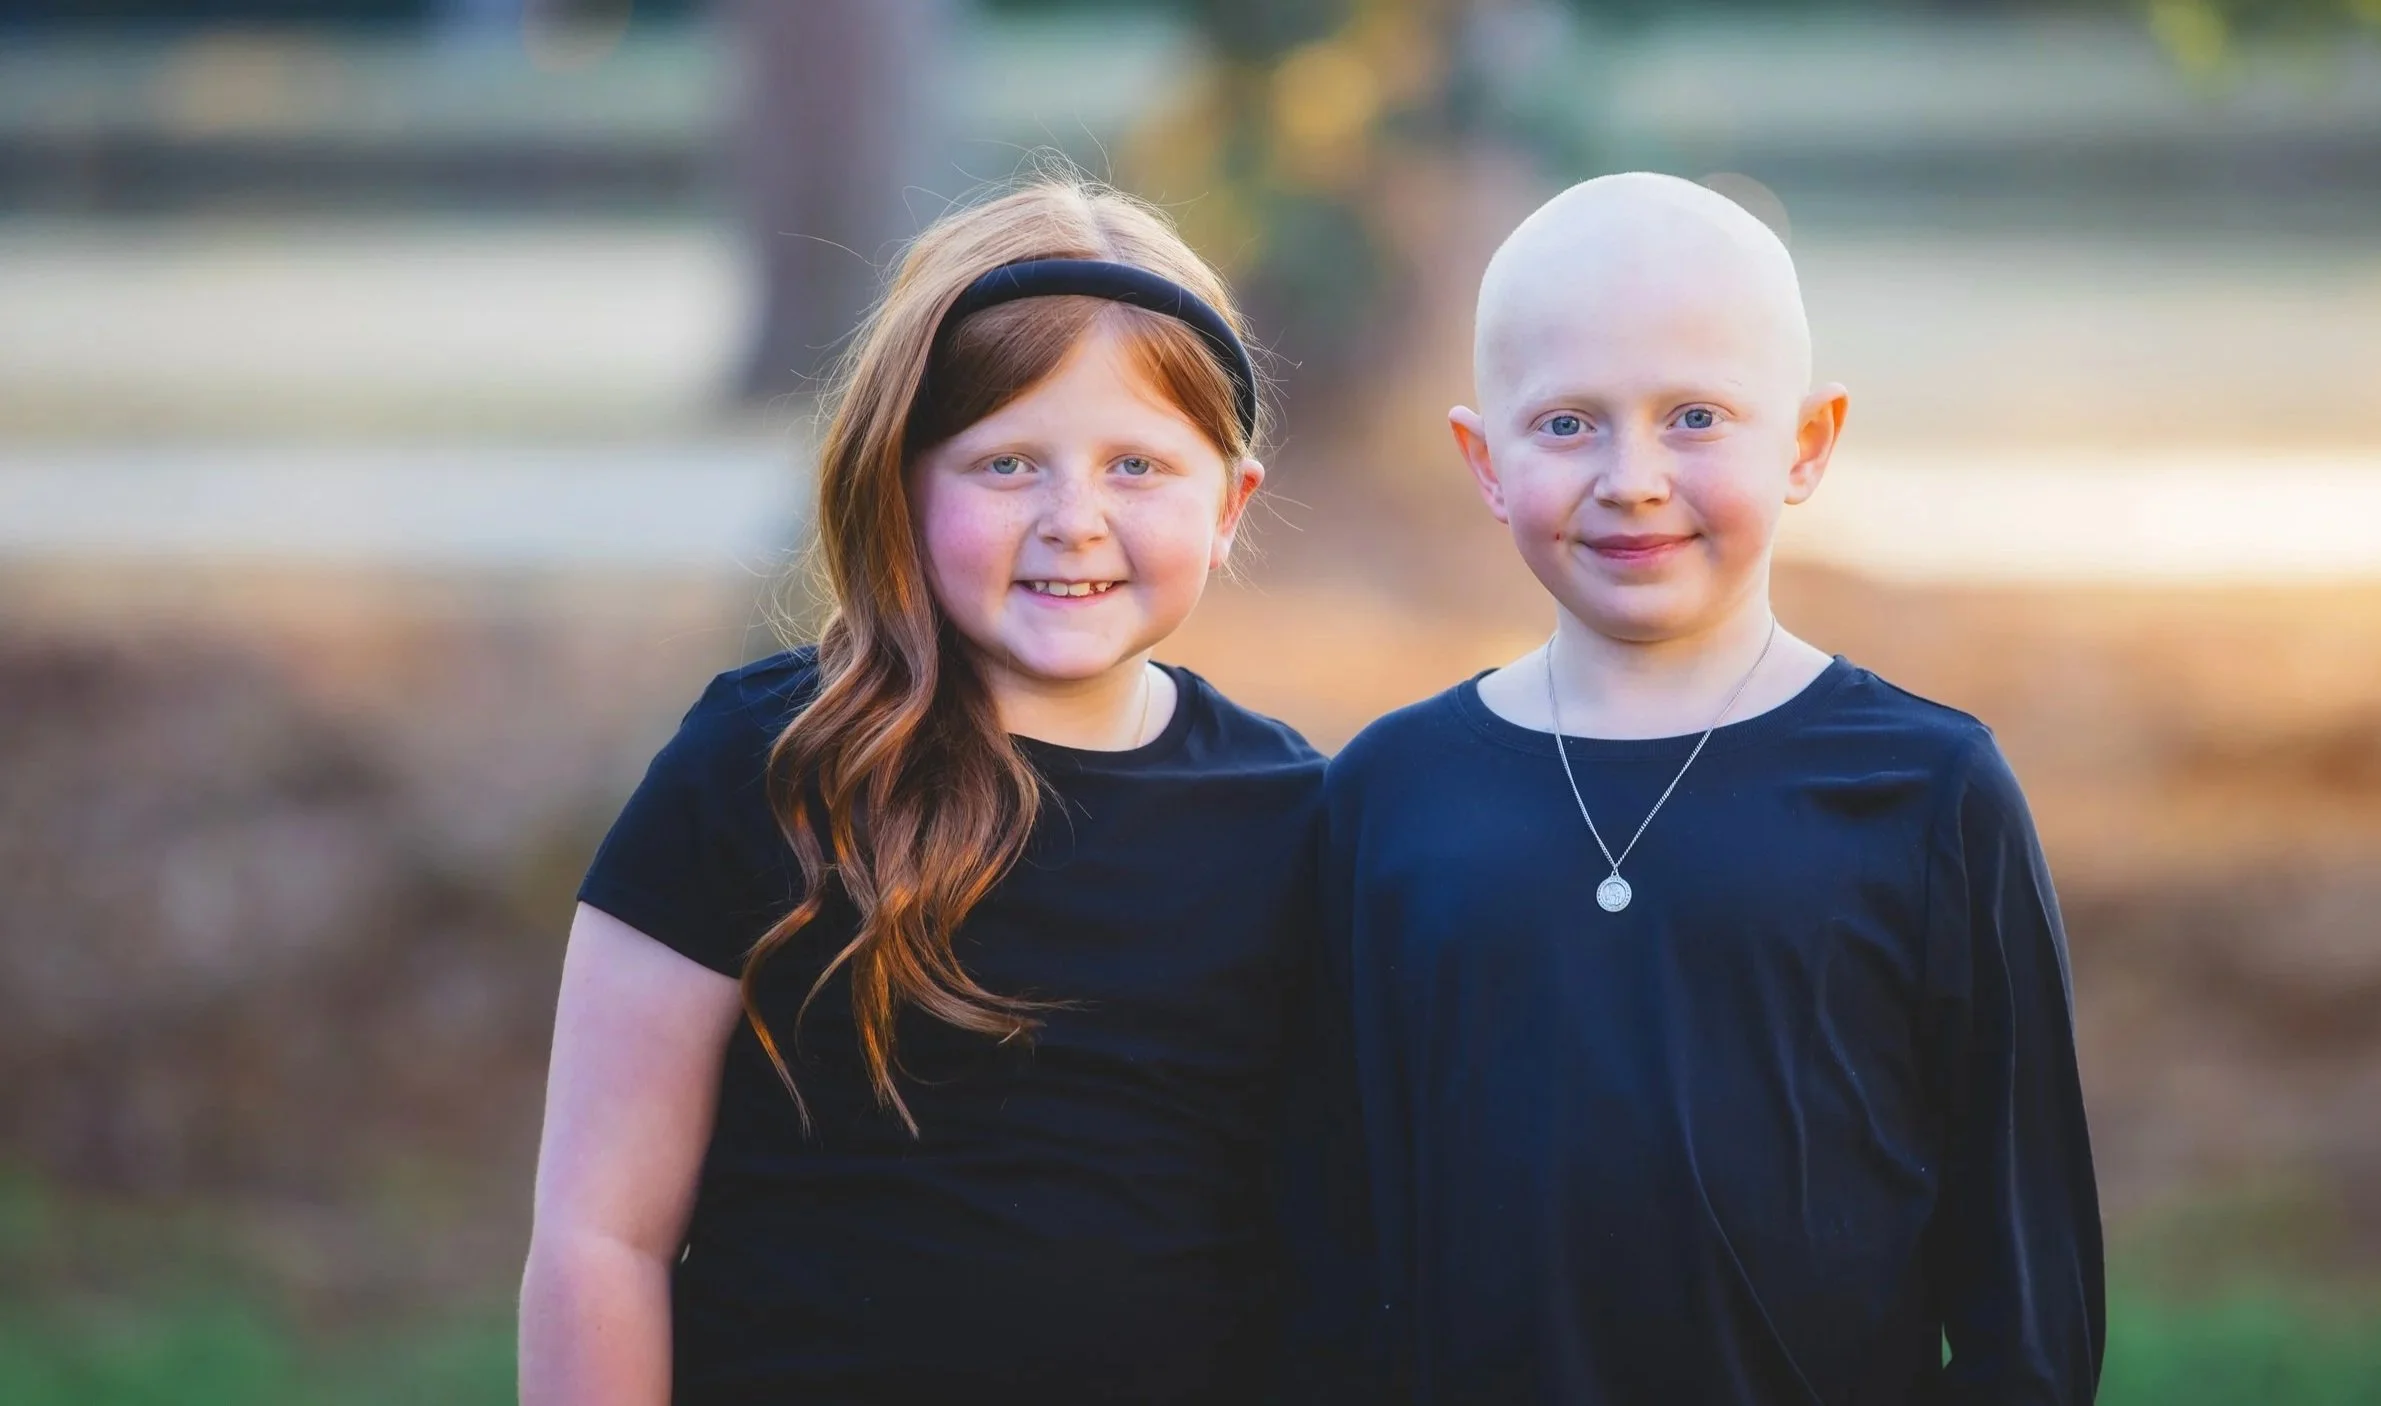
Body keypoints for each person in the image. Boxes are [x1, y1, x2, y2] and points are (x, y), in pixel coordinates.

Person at [518, 176, 1326, 1406]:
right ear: (898, 481)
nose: (1075, 519)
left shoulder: (1297, 816)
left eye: (1137, 465)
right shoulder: (766, 764)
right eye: (1007, 461)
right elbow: (599, 1235)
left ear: (1230, 504)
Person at [1318, 173, 2104, 1404]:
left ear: (1806, 443)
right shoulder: (1390, 794)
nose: (1631, 476)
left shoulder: (1927, 793)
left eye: (1694, 416)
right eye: (1568, 422)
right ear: (1482, 458)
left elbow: (2030, 1296)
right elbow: (1325, 1237)